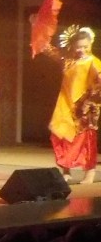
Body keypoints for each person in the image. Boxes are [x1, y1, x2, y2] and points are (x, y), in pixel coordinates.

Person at [41, 26, 101, 184]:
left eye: (85, 46)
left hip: (84, 106)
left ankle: (89, 173)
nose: (82, 50)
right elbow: (48, 49)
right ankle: (66, 170)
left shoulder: (94, 62)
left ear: (90, 44)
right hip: (65, 104)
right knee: (61, 136)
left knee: (86, 140)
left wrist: (90, 100)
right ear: (73, 46)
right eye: (78, 47)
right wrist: (37, 28)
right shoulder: (68, 60)